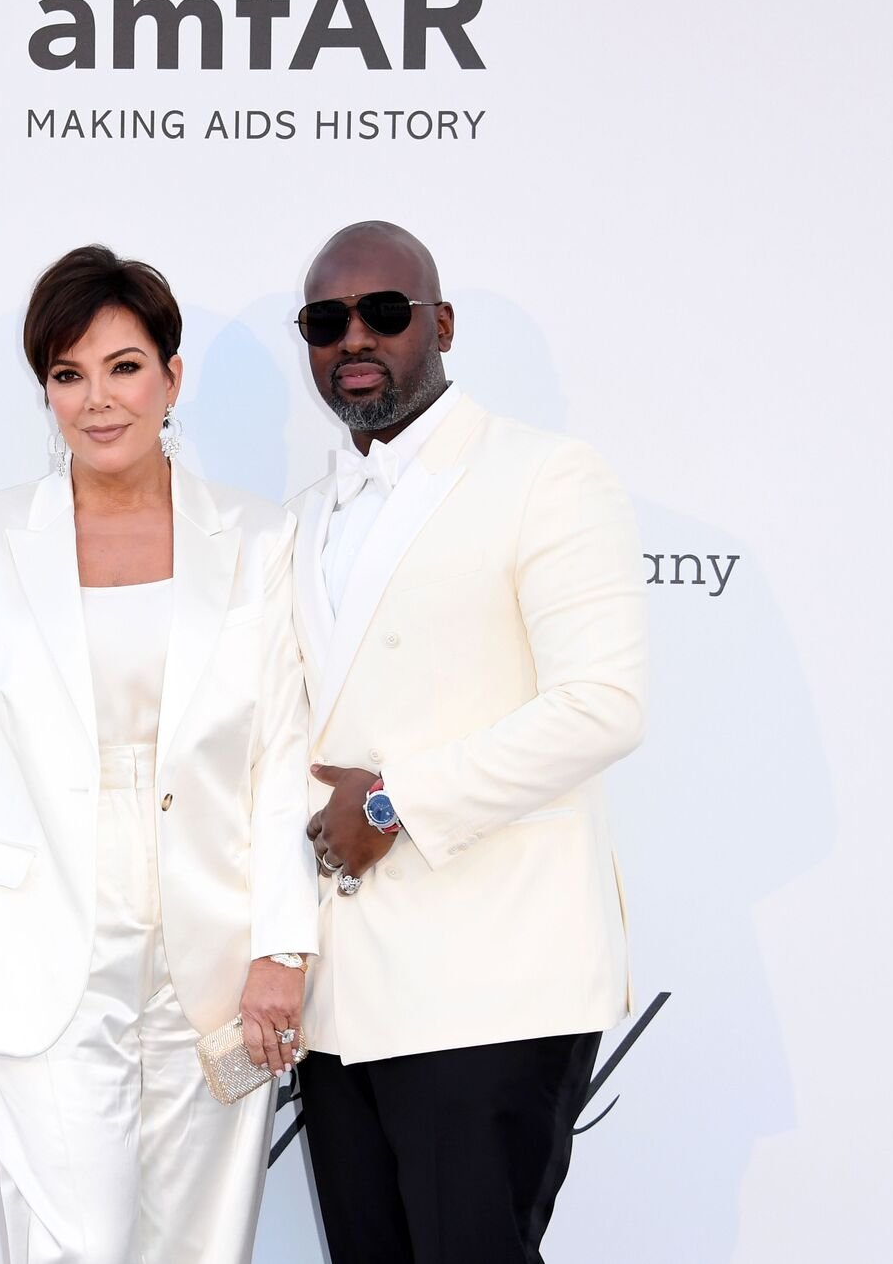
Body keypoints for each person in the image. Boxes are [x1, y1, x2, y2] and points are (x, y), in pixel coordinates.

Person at [0, 244, 319, 1264]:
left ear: (170, 374)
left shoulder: (256, 540)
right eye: (67, 375)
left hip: (215, 935)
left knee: (203, 1241)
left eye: (122, 366)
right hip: (40, 933)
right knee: (75, 1239)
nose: (96, 399)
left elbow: (281, 754)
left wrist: (279, 948)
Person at [288, 221, 648, 1263]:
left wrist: (397, 799)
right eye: (324, 320)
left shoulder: (546, 475)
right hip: (343, 997)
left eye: (382, 313)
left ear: (438, 325)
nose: (353, 336)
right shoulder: (305, 515)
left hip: (495, 979)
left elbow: (603, 704)